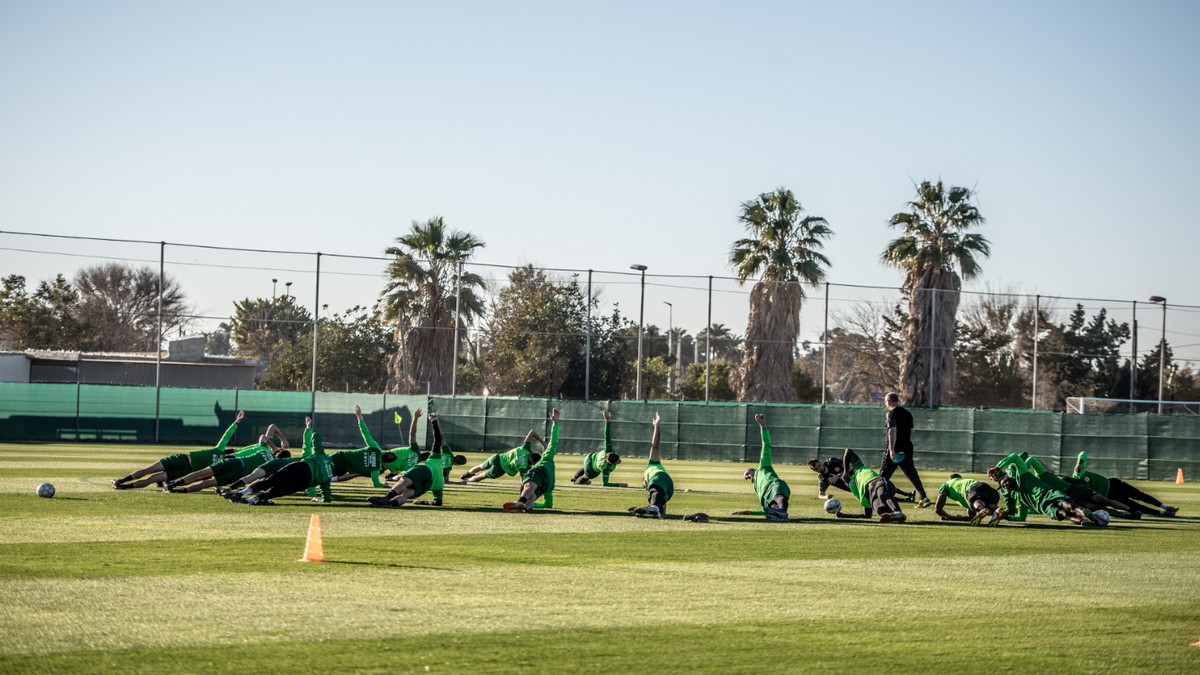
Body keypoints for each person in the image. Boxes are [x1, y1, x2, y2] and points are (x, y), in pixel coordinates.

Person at [112, 410, 256, 489]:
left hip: (183, 458)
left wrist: (237, 422)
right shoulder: (220, 465)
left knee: (148, 470)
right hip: (184, 471)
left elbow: (227, 435)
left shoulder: (219, 450)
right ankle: (125, 487)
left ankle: (121, 481)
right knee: (152, 478)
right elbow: (199, 477)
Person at [226, 416, 334, 505]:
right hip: (299, 476)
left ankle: (238, 492)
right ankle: (248, 500)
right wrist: (316, 496)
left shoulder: (319, 455)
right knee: (275, 490)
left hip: (290, 466)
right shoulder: (325, 473)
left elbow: (311, 442)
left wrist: (309, 428)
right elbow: (324, 491)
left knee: (266, 480)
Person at [1012, 452, 1140, 520]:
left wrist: (1021, 467)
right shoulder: (1031, 487)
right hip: (1068, 498)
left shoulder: (1041, 474)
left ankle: (1131, 510)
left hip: (1073, 489)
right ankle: (1126, 516)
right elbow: (1038, 506)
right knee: (1095, 507)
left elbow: (1032, 459)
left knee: (1102, 500)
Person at [986, 456, 1100, 526]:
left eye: (1005, 481)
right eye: (1004, 485)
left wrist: (998, 467)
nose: (1005, 484)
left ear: (1010, 477)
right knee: (1065, 515)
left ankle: (1085, 513)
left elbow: (1016, 456)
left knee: (1070, 506)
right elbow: (1021, 516)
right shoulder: (1016, 496)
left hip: (1048, 493)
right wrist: (1003, 516)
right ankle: (1083, 522)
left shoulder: (1021, 475)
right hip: (1043, 506)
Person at [368, 412, 449, 508]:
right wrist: (420, 502)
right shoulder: (441, 484)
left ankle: (387, 497)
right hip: (428, 484)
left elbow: (437, 441)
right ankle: (390, 504)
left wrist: (434, 422)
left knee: (404, 482)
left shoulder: (435, 459)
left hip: (424, 469)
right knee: (405, 495)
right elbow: (438, 502)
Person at [166, 432, 290, 493]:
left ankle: (175, 483)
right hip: (239, 472)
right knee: (210, 482)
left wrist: (273, 446)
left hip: (233, 461)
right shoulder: (274, 466)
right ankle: (183, 491)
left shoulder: (265, 450)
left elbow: (263, 436)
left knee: (202, 472)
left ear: (277, 452)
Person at [1073, 451, 1178, 517]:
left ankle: (1165, 507)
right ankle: (1163, 513)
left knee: (1140, 495)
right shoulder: (1078, 492)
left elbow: (1083, 454)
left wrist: (1079, 463)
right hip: (1110, 497)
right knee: (1136, 506)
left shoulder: (1077, 474)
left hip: (1114, 484)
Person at [731, 413, 790, 521]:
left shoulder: (763, 466)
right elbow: (764, 509)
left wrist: (762, 425)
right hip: (767, 495)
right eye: (746, 478)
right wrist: (749, 512)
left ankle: (782, 512)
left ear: (753, 469)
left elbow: (766, 445)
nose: (747, 477)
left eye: (747, 473)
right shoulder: (758, 490)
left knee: (778, 496)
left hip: (774, 484)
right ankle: (781, 515)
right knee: (771, 508)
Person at [504, 408, 561, 512]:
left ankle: (521, 502)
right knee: (533, 497)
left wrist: (555, 423)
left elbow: (553, 442)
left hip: (541, 471)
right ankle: (525, 508)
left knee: (530, 485)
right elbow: (548, 504)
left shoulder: (546, 457)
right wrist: (535, 504)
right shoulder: (550, 466)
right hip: (548, 485)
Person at [881, 392, 930, 507]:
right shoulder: (907, 413)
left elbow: (892, 430)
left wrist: (892, 450)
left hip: (895, 450)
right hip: (907, 448)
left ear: (888, 402)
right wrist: (905, 444)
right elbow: (912, 431)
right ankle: (923, 497)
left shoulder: (890, 414)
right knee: (912, 474)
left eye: (885, 402)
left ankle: (880, 499)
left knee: (882, 477)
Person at [833, 448, 907, 523]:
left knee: (883, 496)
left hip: (880, 483)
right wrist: (844, 515)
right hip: (872, 495)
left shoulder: (858, 468)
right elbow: (867, 516)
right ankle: (893, 517)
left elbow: (848, 451)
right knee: (879, 509)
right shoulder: (859, 494)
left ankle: (897, 512)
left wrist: (846, 471)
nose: (842, 476)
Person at [327, 405, 391, 488]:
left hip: (341, 457)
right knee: (321, 475)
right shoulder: (375, 469)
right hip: (343, 469)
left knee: (317, 466)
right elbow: (376, 484)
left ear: (384, 452)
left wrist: (359, 415)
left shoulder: (375, 448)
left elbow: (365, 432)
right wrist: (384, 485)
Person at [459, 427, 544, 484]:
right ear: (533, 463)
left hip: (497, 458)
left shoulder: (525, 449)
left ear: (532, 453)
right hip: (500, 469)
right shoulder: (524, 466)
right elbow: (522, 479)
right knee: (482, 476)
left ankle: (466, 474)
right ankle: (467, 481)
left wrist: (543, 444)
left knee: (480, 466)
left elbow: (532, 432)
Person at [629, 412, 673, 518]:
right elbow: (663, 506)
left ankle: (653, 508)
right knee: (656, 497)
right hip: (668, 487)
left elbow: (655, 446)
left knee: (654, 491)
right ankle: (654, 510)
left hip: (660, 477)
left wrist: (657, 427)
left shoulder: (652, 465)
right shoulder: (652, 485)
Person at [570, 410, 626, 487]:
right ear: (611, 463)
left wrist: (607, 421)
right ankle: (576, 481)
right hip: (591, 468)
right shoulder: (605, 468)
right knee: (587, 476)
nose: (620, 461)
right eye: (617, 461)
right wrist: (619, 484)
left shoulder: (608, 449)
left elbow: (607, 435)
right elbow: (604, 484)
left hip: (589, 457)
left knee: (586, 467)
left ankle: (574, 477)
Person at [934, 473, 1003, 525]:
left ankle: (982, 509)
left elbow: (938, 509)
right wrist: (951, 517)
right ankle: (996, 512)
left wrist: (945, 516)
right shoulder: (965, 482)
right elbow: (971, 518)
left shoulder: (946, 484)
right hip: (989, 490)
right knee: (990, 507)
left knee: (976, 501)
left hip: (973, 488)